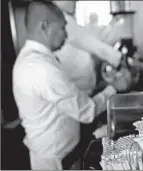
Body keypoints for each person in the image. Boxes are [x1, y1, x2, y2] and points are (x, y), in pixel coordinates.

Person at [12, 1, 131, 170]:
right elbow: (86, 111)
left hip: (61, 155)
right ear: (44, 27)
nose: (66, 36)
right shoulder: (41, 68)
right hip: (56, 162)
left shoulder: (37, 59)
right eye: (62, 28)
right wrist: (114, 88)